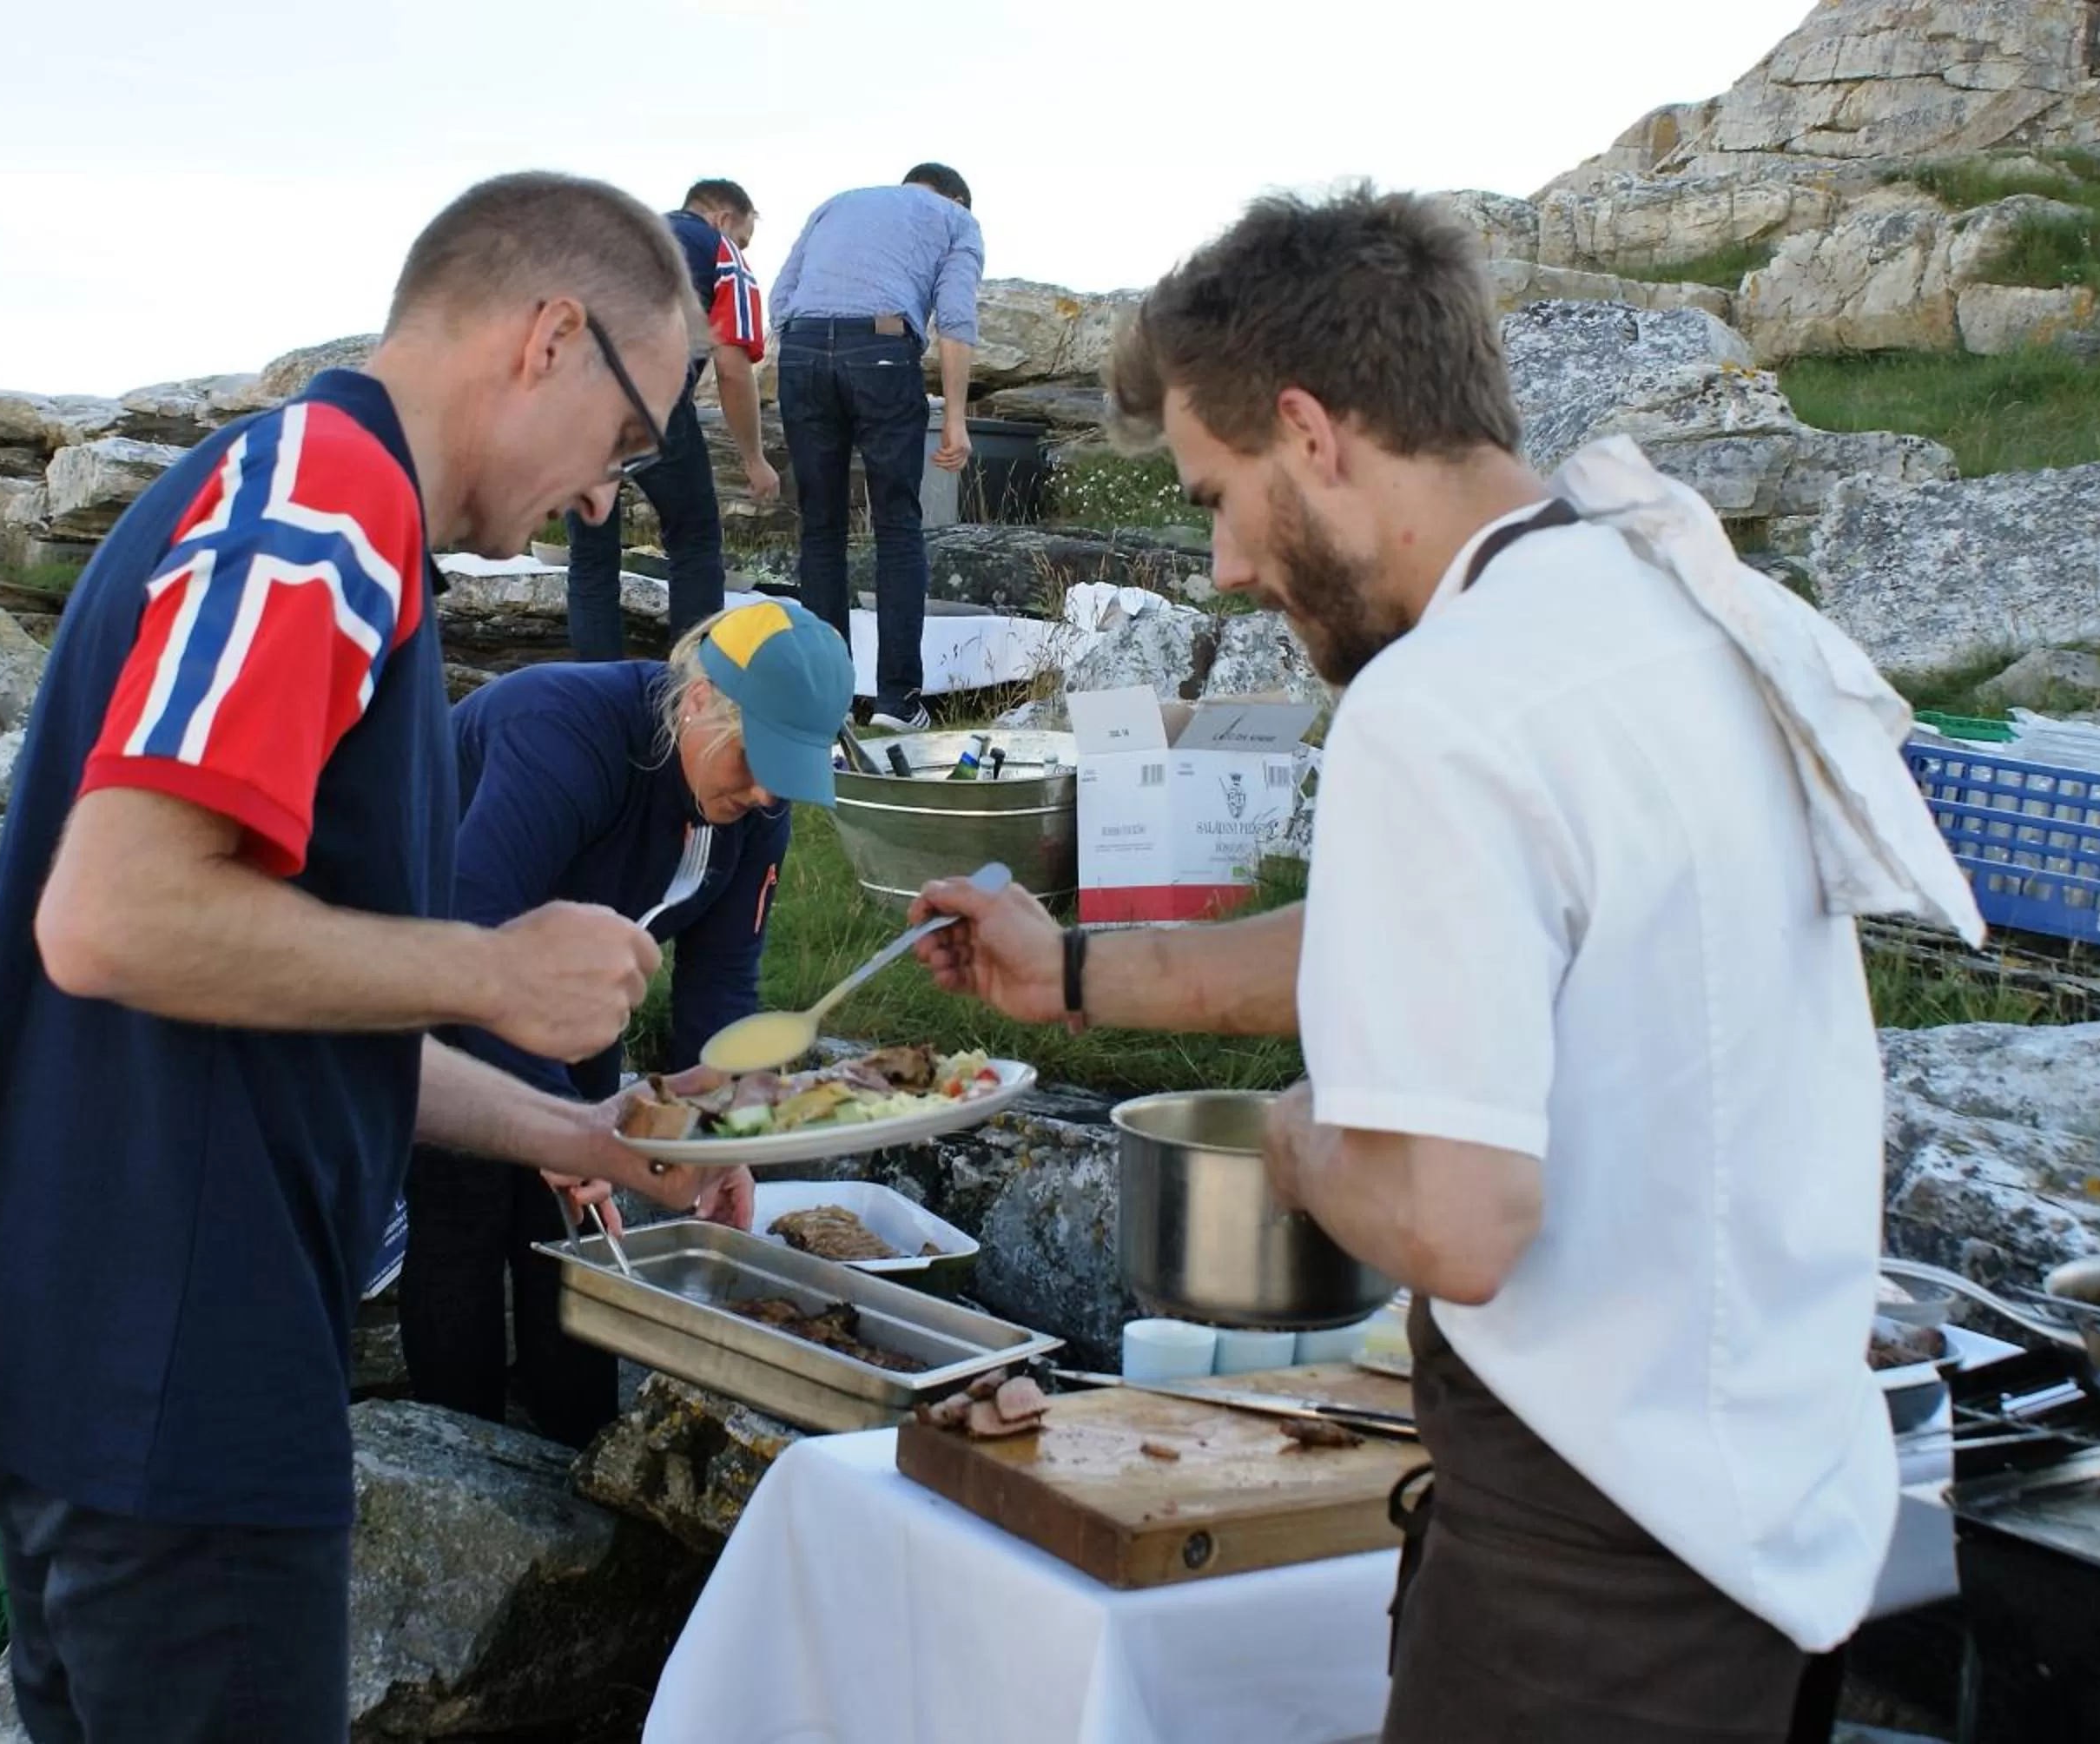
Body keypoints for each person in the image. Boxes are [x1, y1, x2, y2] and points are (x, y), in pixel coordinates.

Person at [910, 188, 1923, 1744]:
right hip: (1773, 1522)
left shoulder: (1439, 702)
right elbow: (1444, 941)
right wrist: (1080, 972)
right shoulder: (1654, 611)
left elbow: (1456, 1222)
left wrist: (1305, 1145)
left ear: (1310, 432)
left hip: (1593, 1573)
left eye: (1213, 495)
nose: (1229, 563)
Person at [0, 171, 730, 1744]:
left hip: (109, 1350)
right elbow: (118, 916)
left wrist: (577, 1132)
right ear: (550, 336)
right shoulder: (320, 504)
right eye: (625, 441)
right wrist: (491, 967)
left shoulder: (341, 529)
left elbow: (273, 982)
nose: (608, 498)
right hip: (176, 1355)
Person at [402, 598, 854, 1444]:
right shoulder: (563, 734)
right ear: (696, 702)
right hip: (438, 963)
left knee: (573, 1229)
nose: (764, 793)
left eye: (787, 776)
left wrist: (720, 1136)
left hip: (580, 988)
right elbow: (471, 933)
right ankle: (448, 1456)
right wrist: (565, 1130)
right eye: (757, 761)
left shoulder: (756, 808)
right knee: (465, 1204)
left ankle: (573, 1448)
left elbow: (722, 981)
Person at [768, 162, 984, 732]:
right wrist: (956, 420)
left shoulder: (839, 201)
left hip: (804, 351)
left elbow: (783, 296)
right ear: (958, 198)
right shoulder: (956, 220)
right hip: (884, 352)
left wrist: (811, 356)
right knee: (895, 525)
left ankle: (826, 701)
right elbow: (957, 319)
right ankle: (897, 703)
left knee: (820, 528)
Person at [565, 177, 780, 660]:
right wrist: (754, 459)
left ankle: (596, 698)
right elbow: (731, 367)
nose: (743, 247)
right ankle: (688, 696)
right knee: (695, 544)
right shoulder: (719, 249)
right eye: (745, 237)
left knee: (591, 559)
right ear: (725, 219)